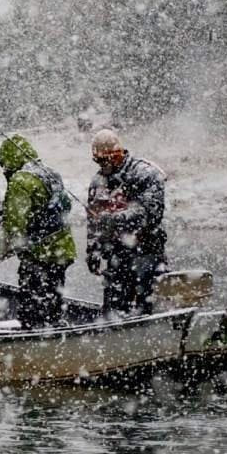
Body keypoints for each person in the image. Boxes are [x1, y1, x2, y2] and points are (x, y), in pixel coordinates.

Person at [0, 134, 76, 329]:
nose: (3, 169)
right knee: (53, 298)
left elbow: (14, 229)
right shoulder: (50, 173)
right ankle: (53, 334)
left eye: (3, 164)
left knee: (32, 308)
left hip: (39, 256)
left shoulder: (20, 181)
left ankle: (32, 341)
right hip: (62, 251)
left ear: (9, 159)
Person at [86, 128, 168, 316]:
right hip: (116, 258)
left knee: (147, 309)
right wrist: (93, 250)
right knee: (113, 311)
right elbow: (93, 220)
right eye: (98, 161)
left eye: (106, 160)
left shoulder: (145, 173)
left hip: (146, 253)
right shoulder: (98, 182)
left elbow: (149, 212)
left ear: (118, 154)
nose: (102, 165)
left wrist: (116, 220)